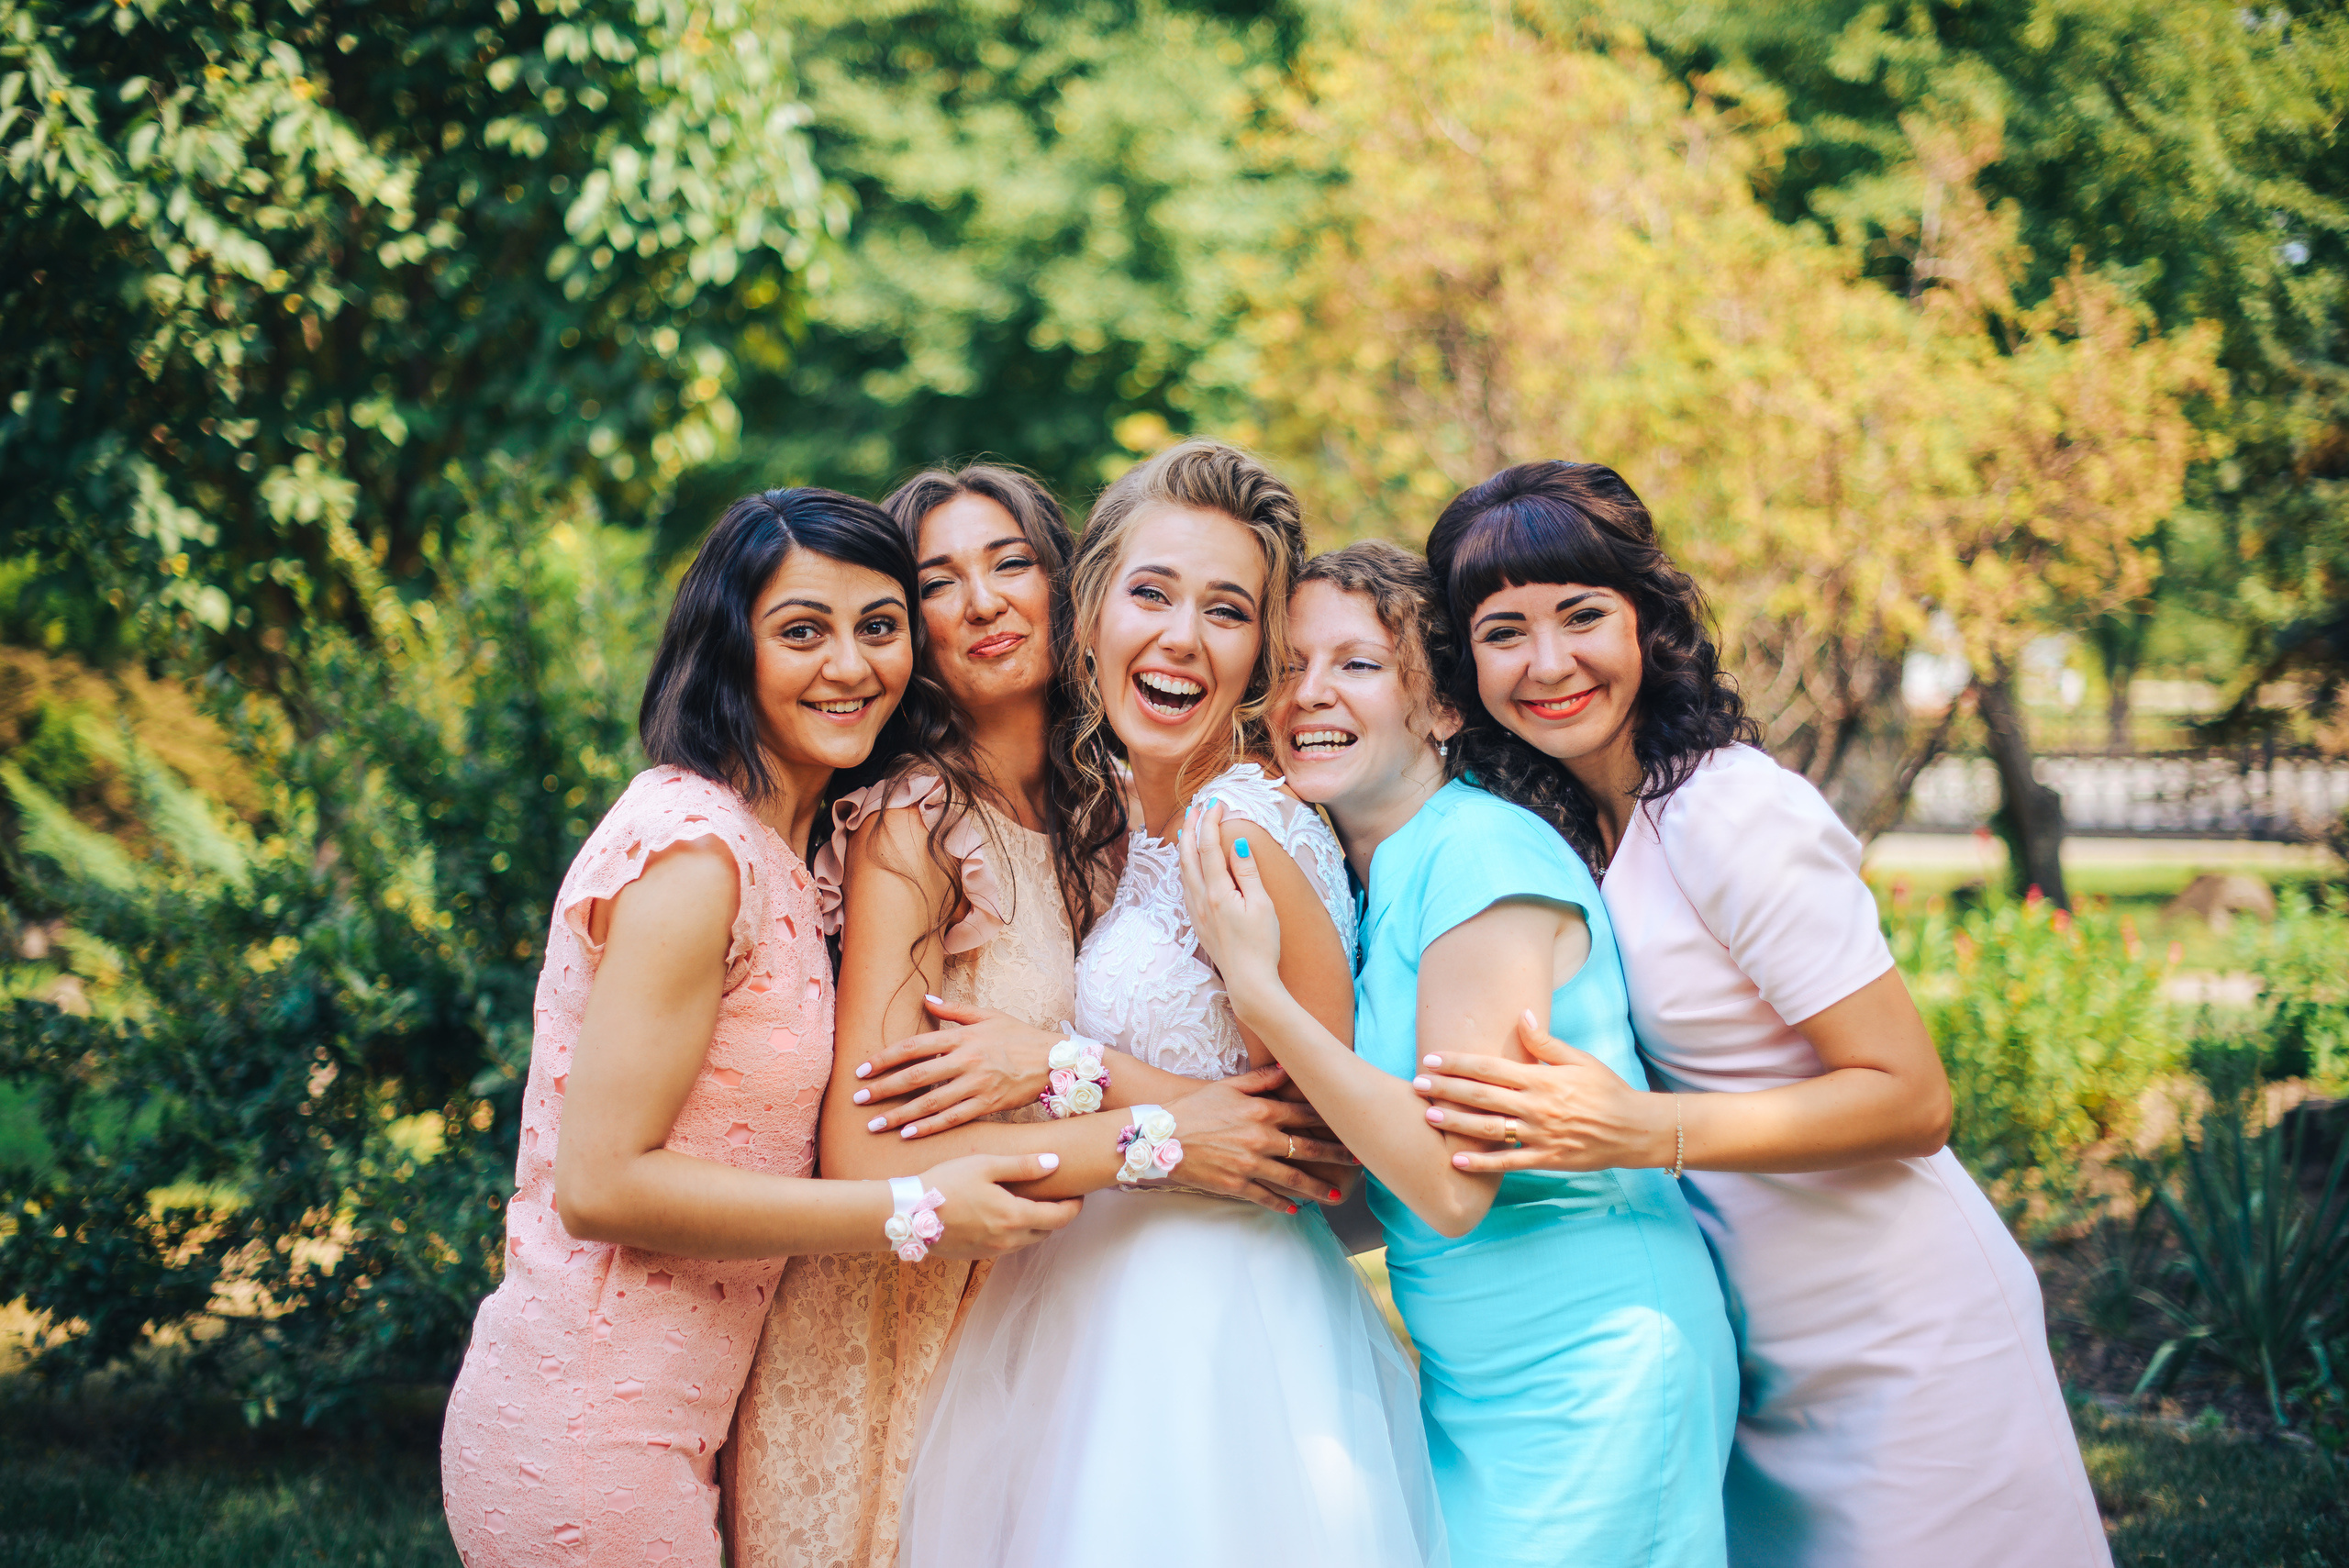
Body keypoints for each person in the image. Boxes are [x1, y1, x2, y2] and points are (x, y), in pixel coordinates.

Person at [1410, 462, 2111, 1568]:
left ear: (1648, 620)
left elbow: (1913, 1097)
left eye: (1582, 615)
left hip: (1898, 1334)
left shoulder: (1729, 809)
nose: (1547, 662)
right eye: (1503, 630)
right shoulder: (1570, 829)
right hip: (1755, 1337)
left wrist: (1640, 1131)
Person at [439, 487, 1078, 1568]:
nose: (849, 664)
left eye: (878, 627)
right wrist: (909, 1203)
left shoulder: (788, 848)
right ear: (729, 648)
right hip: (590, 1426)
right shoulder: (695, 857)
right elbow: (598, 1183)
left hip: (683, 1418)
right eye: (801, 631)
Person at [723, 465, 1343, 1566]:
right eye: (938, 580)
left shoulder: (1107, 805)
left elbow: (1274, 1110)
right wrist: (1158, 1133)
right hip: (895, 1323)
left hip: (1048, 1297)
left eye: (1012, 562)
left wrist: (1067, 1066)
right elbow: (862, 1148)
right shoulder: (915, 818)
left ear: (1070, 590)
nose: (983, 600)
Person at [892, 441, 1446, 1568]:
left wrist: (1055, 1062)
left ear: (1257, 656)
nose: (1182, 637)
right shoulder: (1128, 820)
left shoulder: (1243, 828)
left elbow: (1313, 1139)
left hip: (1215, 1324)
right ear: (1088, 615)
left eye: (1227, 611)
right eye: (1151, 593)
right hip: (1085, 1292)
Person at [1176, 540, 1735, 1568]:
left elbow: (1448, 1184)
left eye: (1355, 663)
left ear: (1440, 708)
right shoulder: (1385, 872)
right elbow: (1373, 1173)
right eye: (1288, 666)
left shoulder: (1479, 854)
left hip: (1589, 1368)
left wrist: (1256, 986)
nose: (1307, 693)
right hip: (1474, 1373)